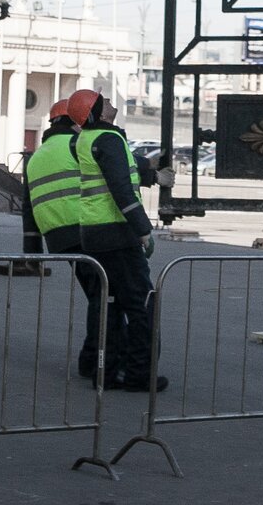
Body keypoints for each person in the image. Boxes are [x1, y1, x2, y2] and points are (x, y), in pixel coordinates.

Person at [69, 87, 167, 393]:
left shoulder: (84, 139)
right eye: (105, 102)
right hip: (117, 233)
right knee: (140, 304)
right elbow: (122, 189)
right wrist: (143, 230)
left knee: (108, 305)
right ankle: (139, 373)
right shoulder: (108, 139)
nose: (111, 103)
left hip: (94, 233)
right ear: (95, 112)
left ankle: (107, 372)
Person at [27, 99, 110, 378]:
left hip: (59, 237)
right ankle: (93, 361)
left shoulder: (37, 155)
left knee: (96, 292)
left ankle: (95, 359)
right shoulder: (76, 145)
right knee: (104, 294)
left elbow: (27, 208)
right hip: (88, 227)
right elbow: (113, 167)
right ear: (74, 121)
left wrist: (32, 251)